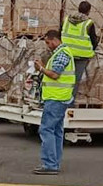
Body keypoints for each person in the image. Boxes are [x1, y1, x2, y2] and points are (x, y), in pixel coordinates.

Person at [32, 30, 75, 175]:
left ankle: (50, 164)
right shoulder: (61, 53)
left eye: (48, 42)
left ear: (55, 40)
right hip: (59, 98)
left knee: (46, 129)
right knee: (56, 131)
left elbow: (55, 74)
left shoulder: (62, 53)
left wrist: (41, 69)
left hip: (56, 98)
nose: (48, 46)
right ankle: (54, 163)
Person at [60, 1, 99, 99]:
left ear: (78, 8)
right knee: (75, 80)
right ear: (89, 11)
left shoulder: (66, 20)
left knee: (64, 77)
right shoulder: (88, 23)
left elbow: (59, 33)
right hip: (82, 55)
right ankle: (69, 101)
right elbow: (94, 39)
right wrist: (93, 50)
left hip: (66, 53)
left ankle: (61, 98)